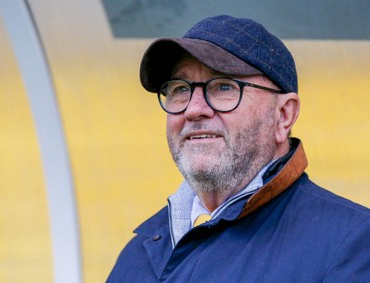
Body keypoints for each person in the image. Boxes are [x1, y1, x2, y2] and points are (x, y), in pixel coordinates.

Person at [107, 15, 370, 282]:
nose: (194, 109)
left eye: (223, 86)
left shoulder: (351, 243)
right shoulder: (138, 253)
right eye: (180, 89)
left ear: (283, 115)